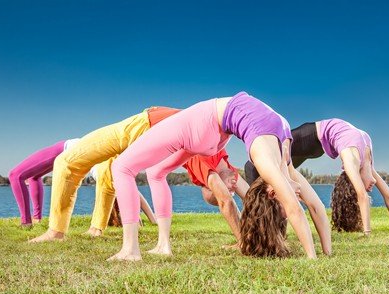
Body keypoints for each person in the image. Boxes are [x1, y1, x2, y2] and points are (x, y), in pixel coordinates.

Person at [108, 91, 322, 262]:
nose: (291, 200)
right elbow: (310, 204)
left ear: (273, 191)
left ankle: (130, 249)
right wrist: (321, 250)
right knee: (156, 172)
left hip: (203, 124)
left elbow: (294, 209)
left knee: (122, 167)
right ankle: (163, 246)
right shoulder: (284, 160)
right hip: (216, 135)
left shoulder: (269, 158)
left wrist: (311, 257)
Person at [29, 106, 181, 242]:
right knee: (106, 173)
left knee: (66, 162)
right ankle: (96, 228)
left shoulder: (190, 125)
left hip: (144, 123)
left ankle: (56, 232)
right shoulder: (194, 126)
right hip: (151, 126)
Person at [245, 119, 389, 235]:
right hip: (309, 136)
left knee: (279, 178)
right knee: (252, 166)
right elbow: (362, 196)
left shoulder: (366, 164)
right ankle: (257, 223)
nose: (369, 188)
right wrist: (367, 232)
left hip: (315, 148)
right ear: (356, 177)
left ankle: (272, 225)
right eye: (362, 185)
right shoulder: (352, 159)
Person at [182, 149, 249, 247]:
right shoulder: (213, 165)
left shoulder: (201, 162)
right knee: (245, 198)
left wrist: (242, 243)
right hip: (203, 149)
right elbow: (227, 200)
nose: (231, 191)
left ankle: (245, 242)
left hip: (198, 150)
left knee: (226, 199)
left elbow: (226, 201)